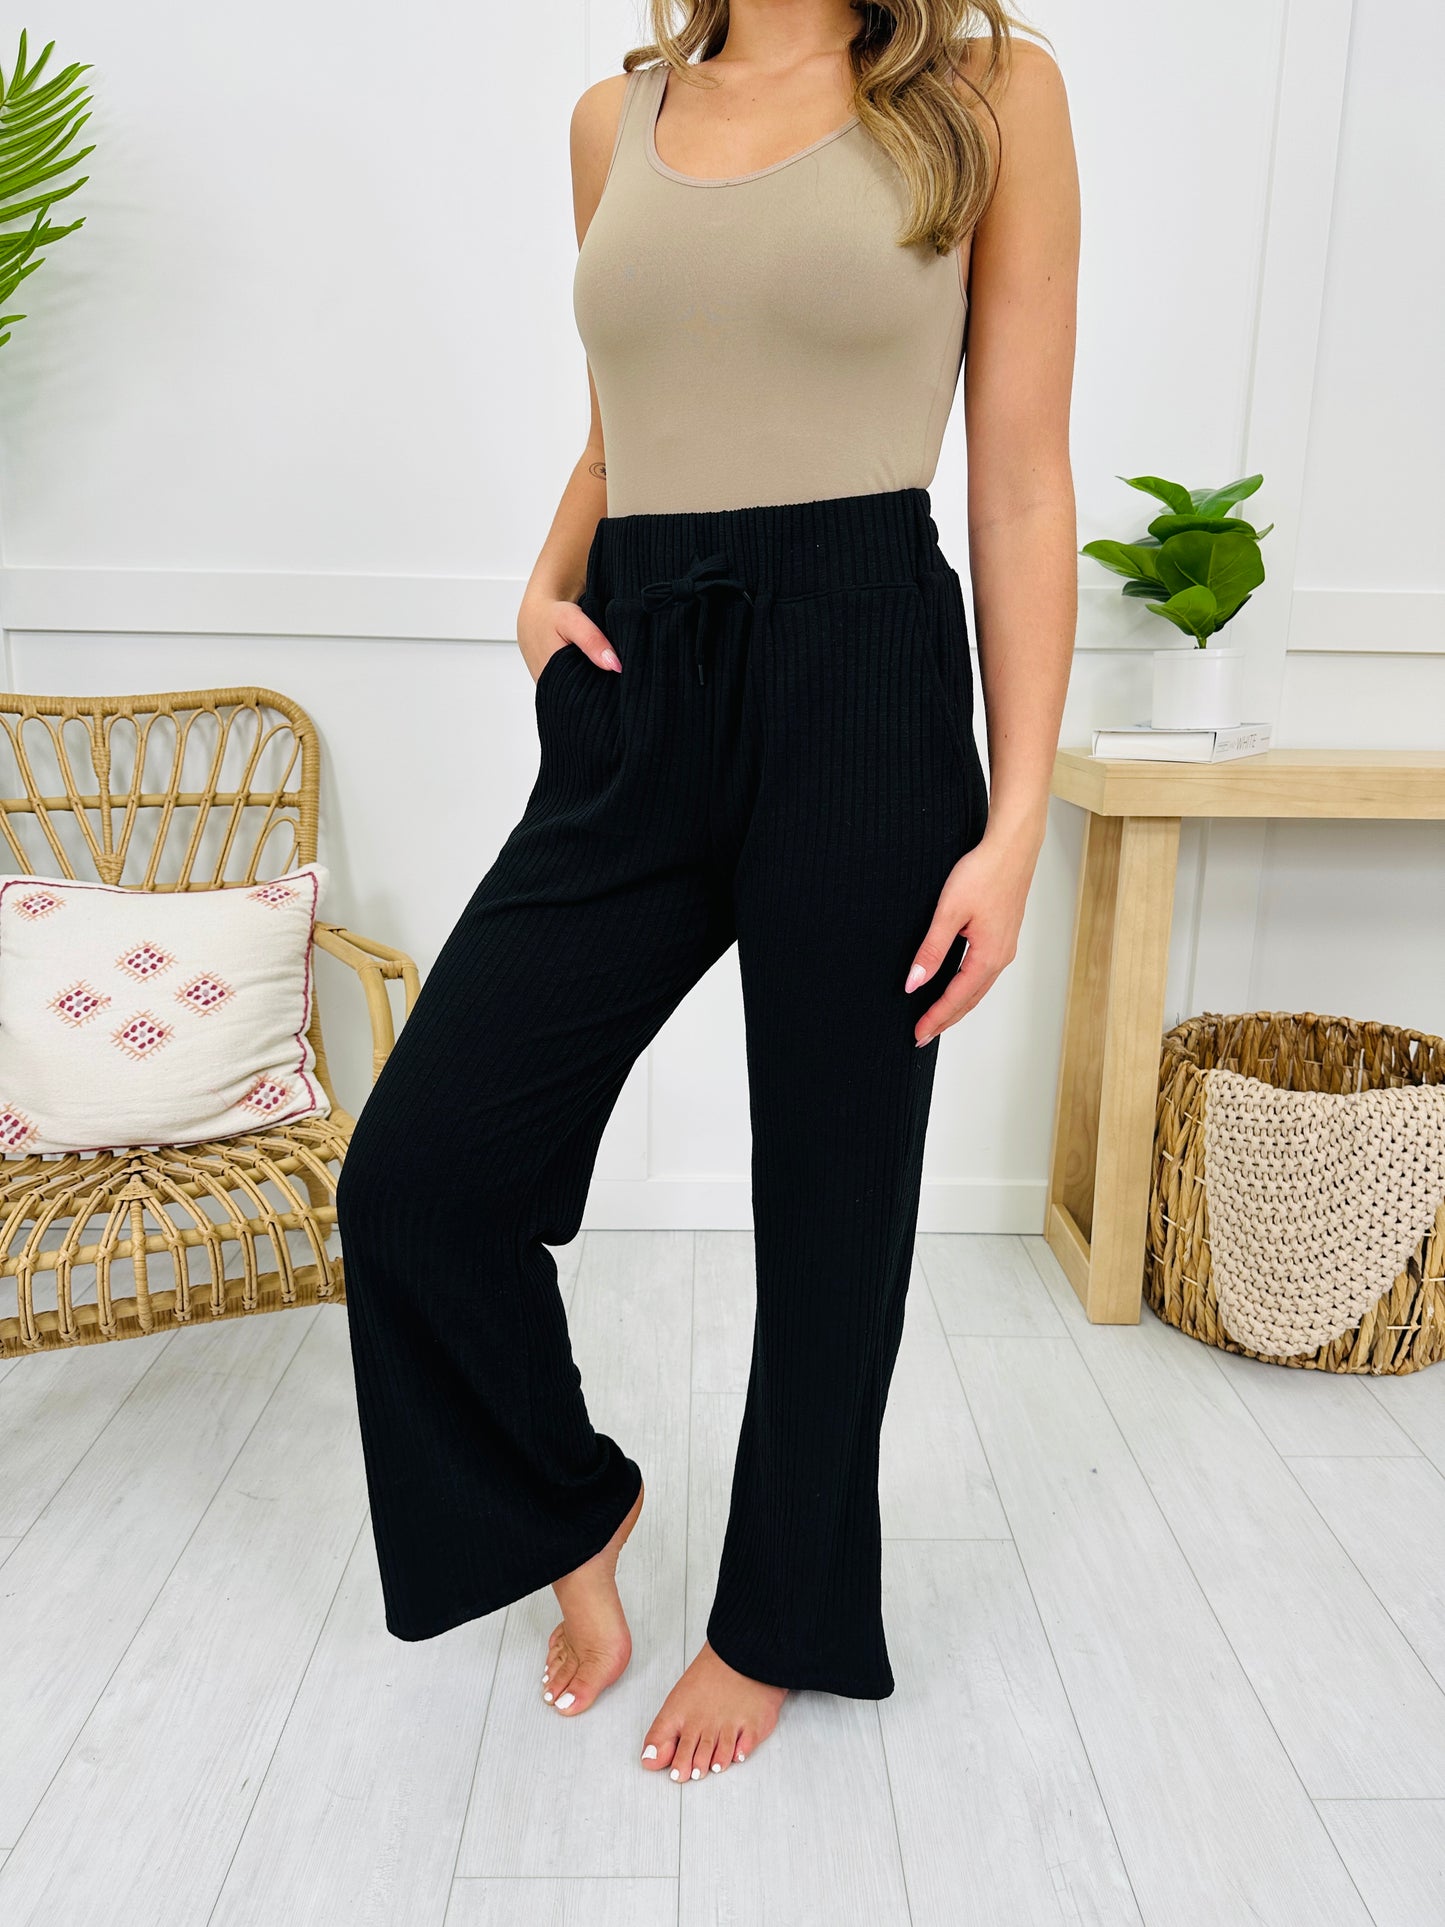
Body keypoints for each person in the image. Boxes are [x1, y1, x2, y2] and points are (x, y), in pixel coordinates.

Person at [335, 0, 1079, 1785]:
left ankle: (775, 1621)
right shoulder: (618, 120)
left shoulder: (985, 90)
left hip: (864, 674)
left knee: (833, 1194)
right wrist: (542, 589)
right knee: (417, 1176)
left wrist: (1016, 823)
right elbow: (620, 434)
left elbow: (1019, 478)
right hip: (640, 675)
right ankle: (570, 1515)